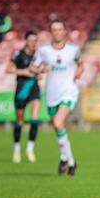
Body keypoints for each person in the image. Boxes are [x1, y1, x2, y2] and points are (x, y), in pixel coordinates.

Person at [30, 20, 84, 176]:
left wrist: (79, 71)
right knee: (57, 126)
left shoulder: (73, 50)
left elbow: (80, 64)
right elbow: (32, 66)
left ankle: (71, 163)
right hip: (52, 94)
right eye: (54, 29)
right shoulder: (43, 50)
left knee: (58, 122)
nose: (57, 32)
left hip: (69, 91)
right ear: (51, 32)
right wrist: (40, 69)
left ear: (65, 31)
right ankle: (65, 158)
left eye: (60, 29)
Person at [5, 31, 40, 163]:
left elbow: (40, 68)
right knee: (20, 121)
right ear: (26, 40)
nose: (33, 43)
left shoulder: (38, 55)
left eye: (35, 40)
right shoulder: (18, 54)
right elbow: (8, 69)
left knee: (34, 119)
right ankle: (17, 149)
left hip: (34, 89)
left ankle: (30, 148)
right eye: (31, 40)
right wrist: (23, 71)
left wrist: (40, 73)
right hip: (21, 90)